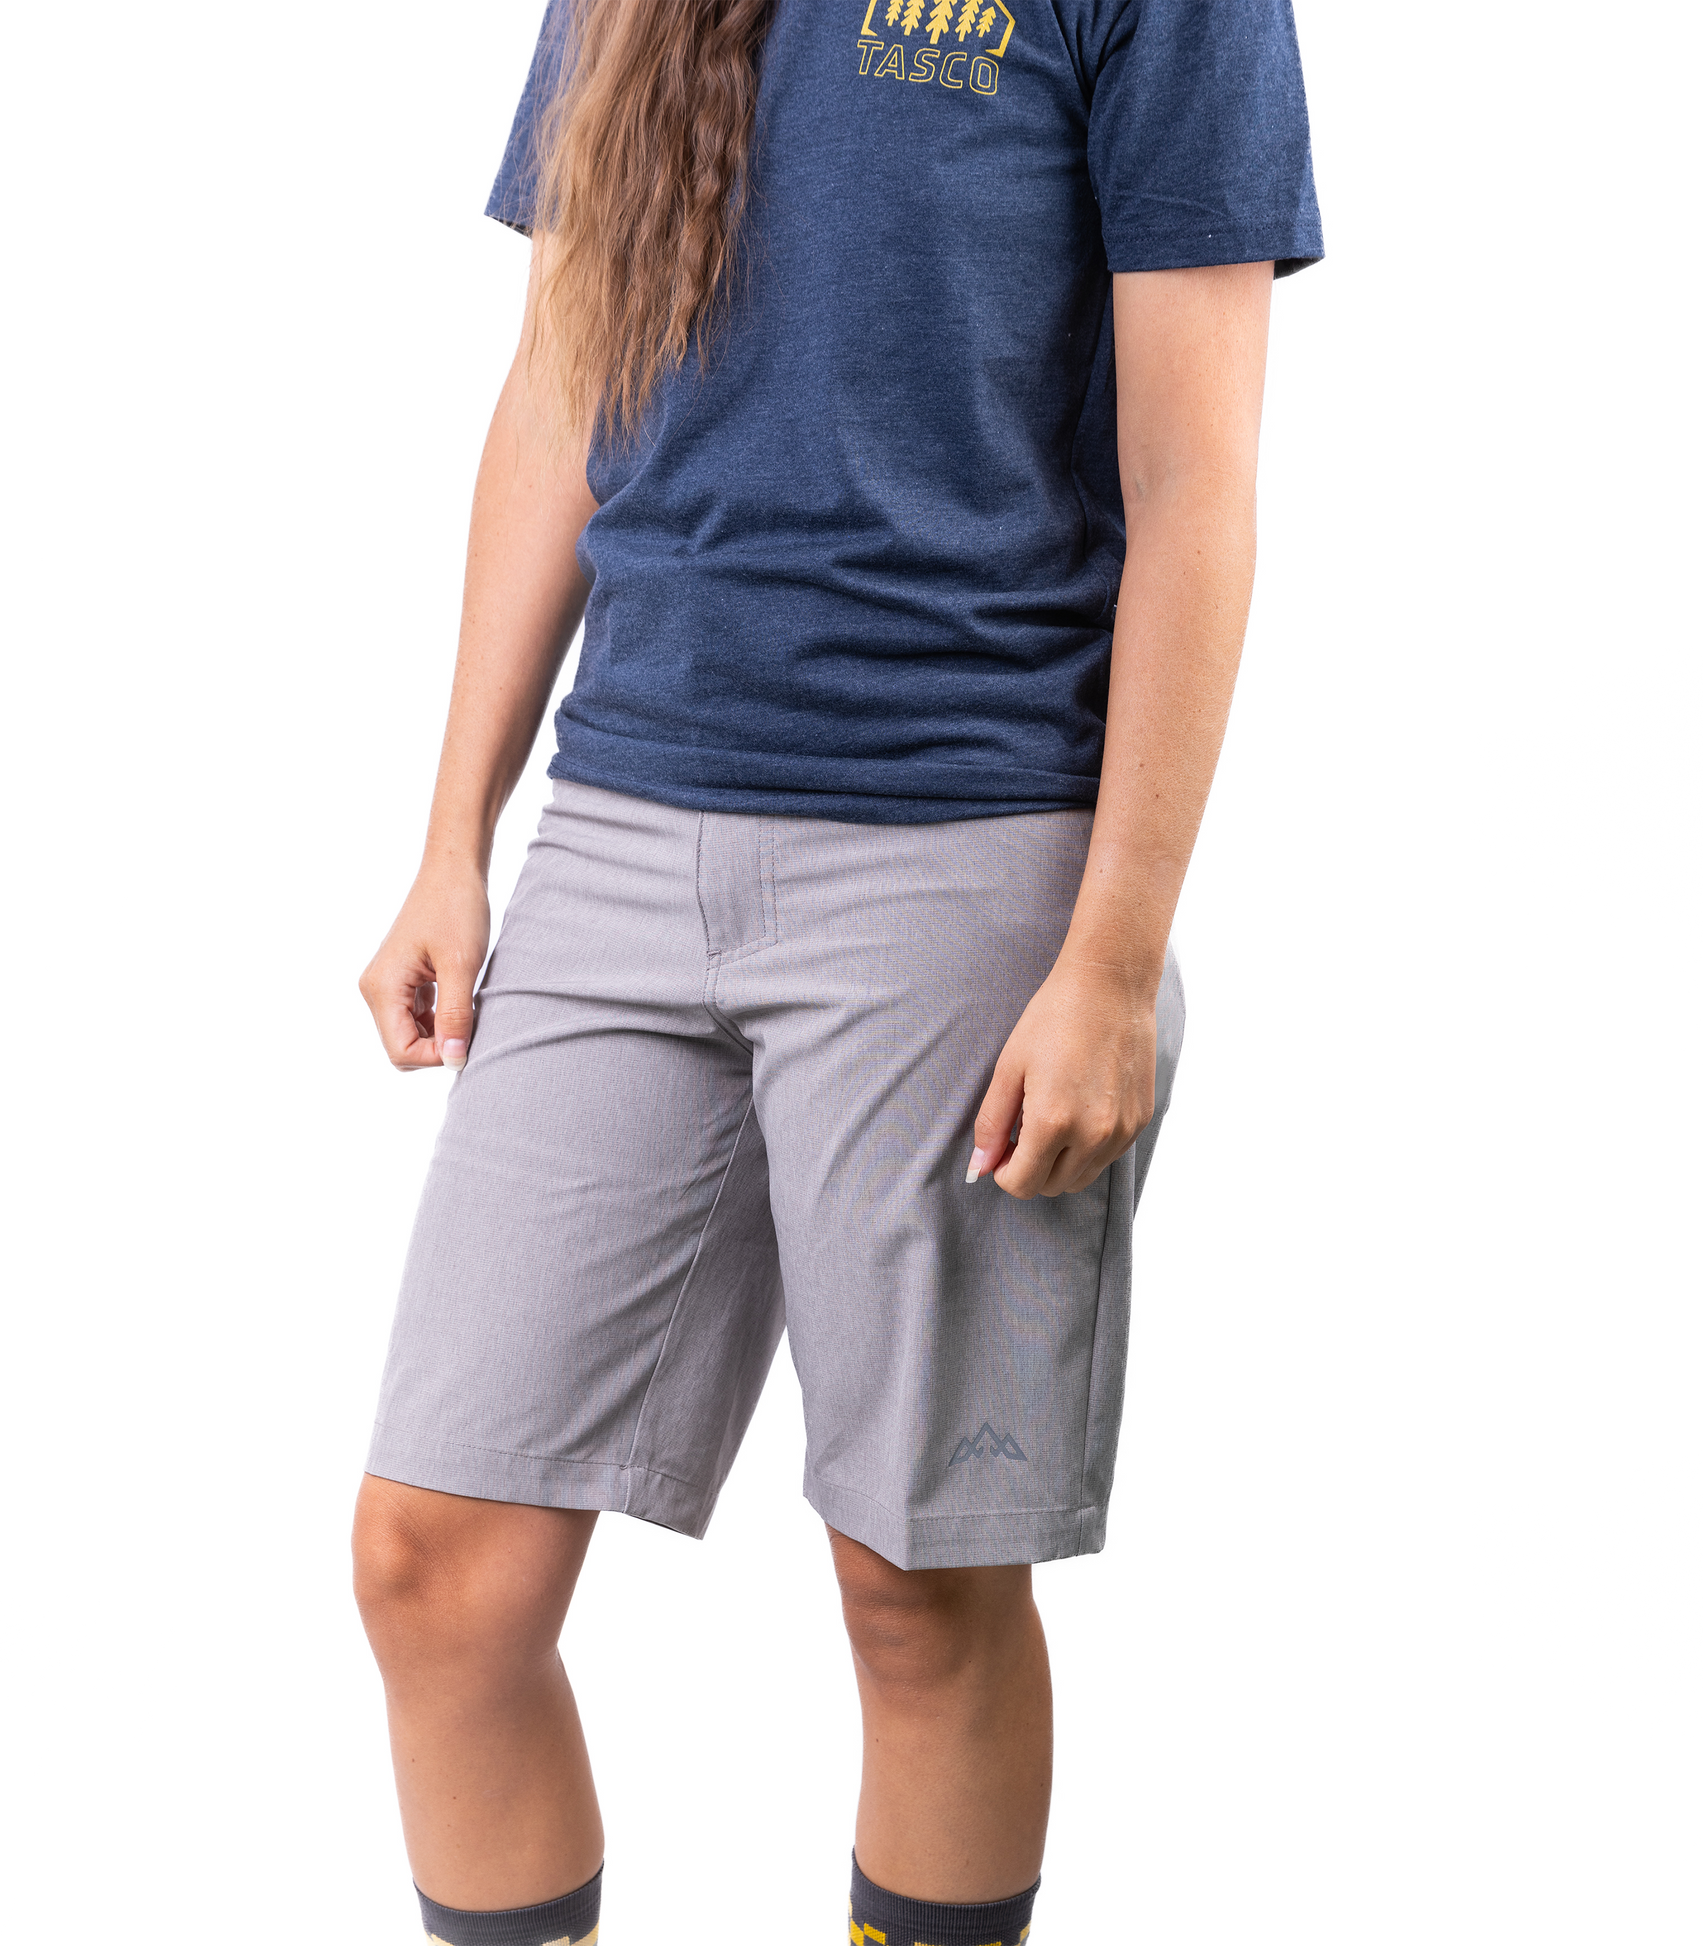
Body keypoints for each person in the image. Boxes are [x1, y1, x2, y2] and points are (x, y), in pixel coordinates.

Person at [353, 0, 1320, 1933]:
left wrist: (1111, 951)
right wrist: (453, 833)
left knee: (915, 1583)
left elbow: (1194, 478)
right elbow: (558, 384)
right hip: (622, 829)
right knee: (434, 1566)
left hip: (965, 853)